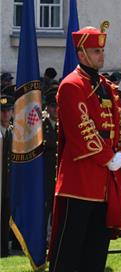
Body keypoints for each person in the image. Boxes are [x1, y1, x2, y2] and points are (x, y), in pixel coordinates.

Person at [46, 25, 121, 272]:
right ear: (81, 53)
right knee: (71, 235)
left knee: (98, 232)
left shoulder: (107, 86)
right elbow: (81, 128)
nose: (101, 55)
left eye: (103, 50)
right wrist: (109, 158)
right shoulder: (71, 85)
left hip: (105, 177)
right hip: (80, 177)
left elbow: (120, 123)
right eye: (96, 51)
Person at [42, 91, 58, 223]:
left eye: (58, 105)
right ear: (47, 107)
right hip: (45, 176)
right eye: (53, 106)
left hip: (61, 177)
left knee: (58, 213)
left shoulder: (66, 125)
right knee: (43, 212)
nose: (56, 109)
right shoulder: (40, 127)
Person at [1, 95, 13, 257]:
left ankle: (4, 249)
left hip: (9, 184)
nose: (4, 114)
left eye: (8, 110)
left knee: (6, 217)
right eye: (2, 111)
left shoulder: (14, 133)